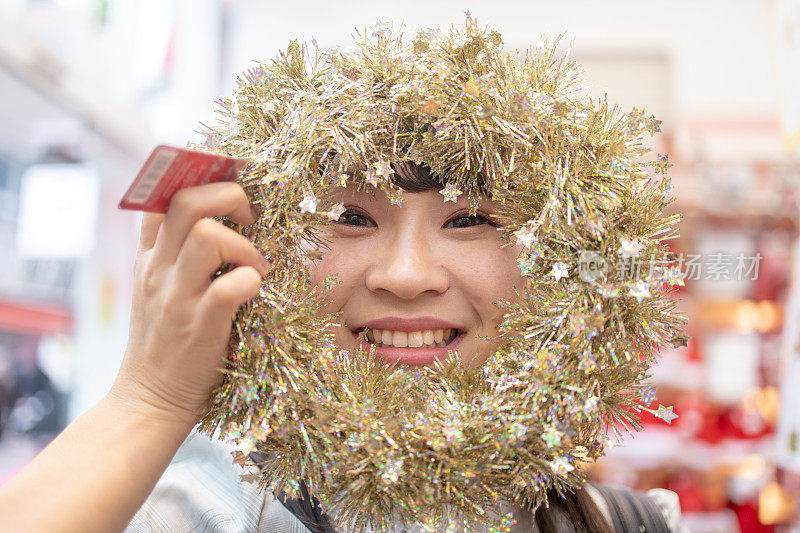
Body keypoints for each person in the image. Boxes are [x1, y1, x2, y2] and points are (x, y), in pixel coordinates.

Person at [0, 160, 683, 532]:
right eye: (350, 216)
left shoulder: (629, 524)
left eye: (470, 217)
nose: (407, 275)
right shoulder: (210, 509)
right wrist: (149, 399)